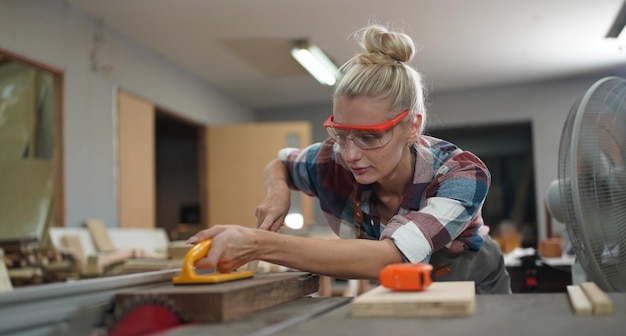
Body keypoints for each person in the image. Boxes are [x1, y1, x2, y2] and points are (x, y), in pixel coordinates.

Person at [188, 24, 511, 294]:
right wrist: (277, 193)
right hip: (393, 283)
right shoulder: (332, 160)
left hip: (469, 280)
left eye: (370, 137)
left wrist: (259, 243)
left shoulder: (461, 175)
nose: (351, 154)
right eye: (341, 133)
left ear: (412, 126)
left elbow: (390, 257)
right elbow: (281, 164)